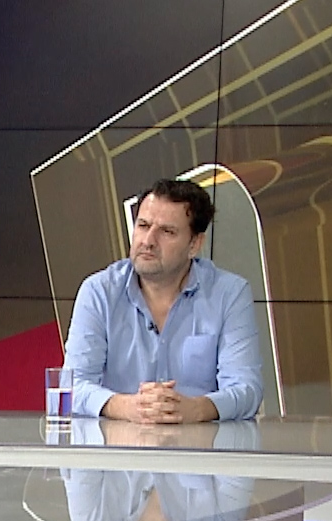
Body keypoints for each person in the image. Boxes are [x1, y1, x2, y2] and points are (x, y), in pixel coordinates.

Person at [63, 178, 263, 424]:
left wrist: (196, 409)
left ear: (195, 245)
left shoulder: (229, 294)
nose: (148, 240)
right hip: (118, 446)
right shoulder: (99, 292)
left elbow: (247, 389)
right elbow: (73, 385)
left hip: (199, 445)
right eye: (143, 225)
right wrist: (127, 407)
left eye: (167, 231)